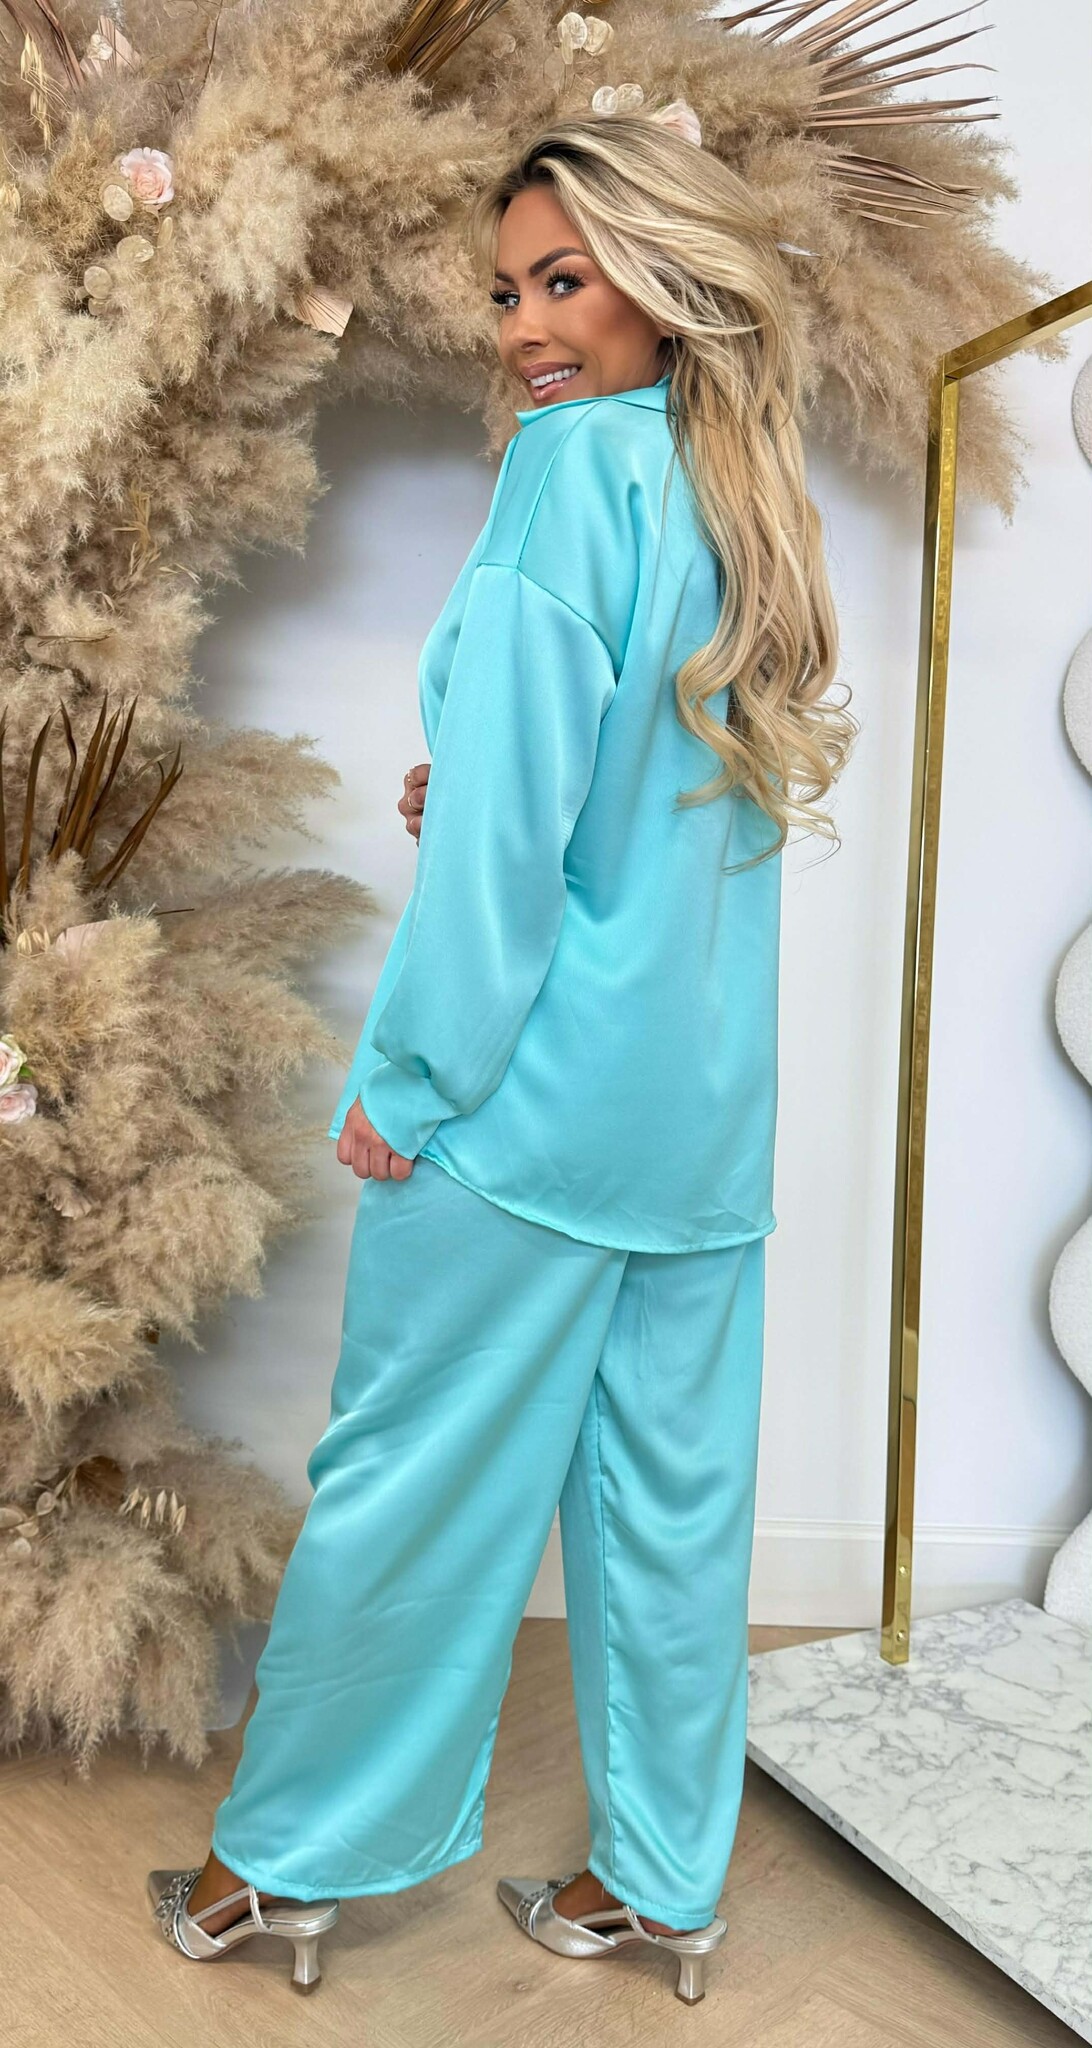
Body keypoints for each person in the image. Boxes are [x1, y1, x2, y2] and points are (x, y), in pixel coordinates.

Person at [147, 110, 856, 2005]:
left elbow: (513, 862)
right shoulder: (740, 499)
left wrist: (411, 1081)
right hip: (697, 1130)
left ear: (665, 282)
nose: (526, 327)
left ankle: (274, 1870)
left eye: (564, 279)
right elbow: (646, 800)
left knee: (410, 1487)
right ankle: (663, 1888)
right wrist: (470, 778)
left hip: (525, 1114)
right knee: (673, 1521)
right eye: (506, 292)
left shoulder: (565, 475)